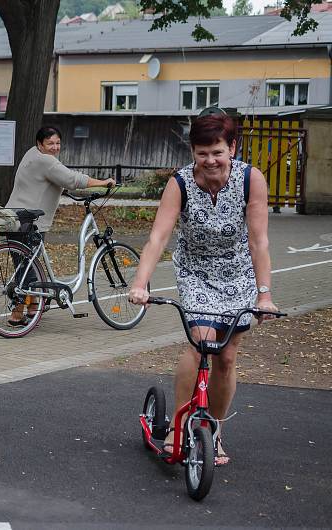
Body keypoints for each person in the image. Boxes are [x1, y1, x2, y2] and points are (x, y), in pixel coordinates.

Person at [127, 111, 278, 466]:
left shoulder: (250, 180)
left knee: (226, 356)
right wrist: (140, 283)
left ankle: (215, 430)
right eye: (202, 152)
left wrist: (265, 293)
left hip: (238, 273)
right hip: (195, 272)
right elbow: (158, 237)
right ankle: (178, 430)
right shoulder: (179, 183)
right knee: (200, 344)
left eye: (218, 152)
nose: (210, 160)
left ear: (233, 149)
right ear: (192, 151)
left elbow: (259, 242)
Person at [4, 125, 114, 324]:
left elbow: (43, 181)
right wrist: (103, 182)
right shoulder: (46, 161)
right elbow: (72, 179)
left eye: (57, 143)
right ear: (40, 144)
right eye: (50, 143)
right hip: (31, 221)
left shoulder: (31, 154)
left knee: (24, 266)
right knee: (28, 268)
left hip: (13, 218)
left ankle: (33, 307)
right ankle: (17, 312)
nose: (55, 147)